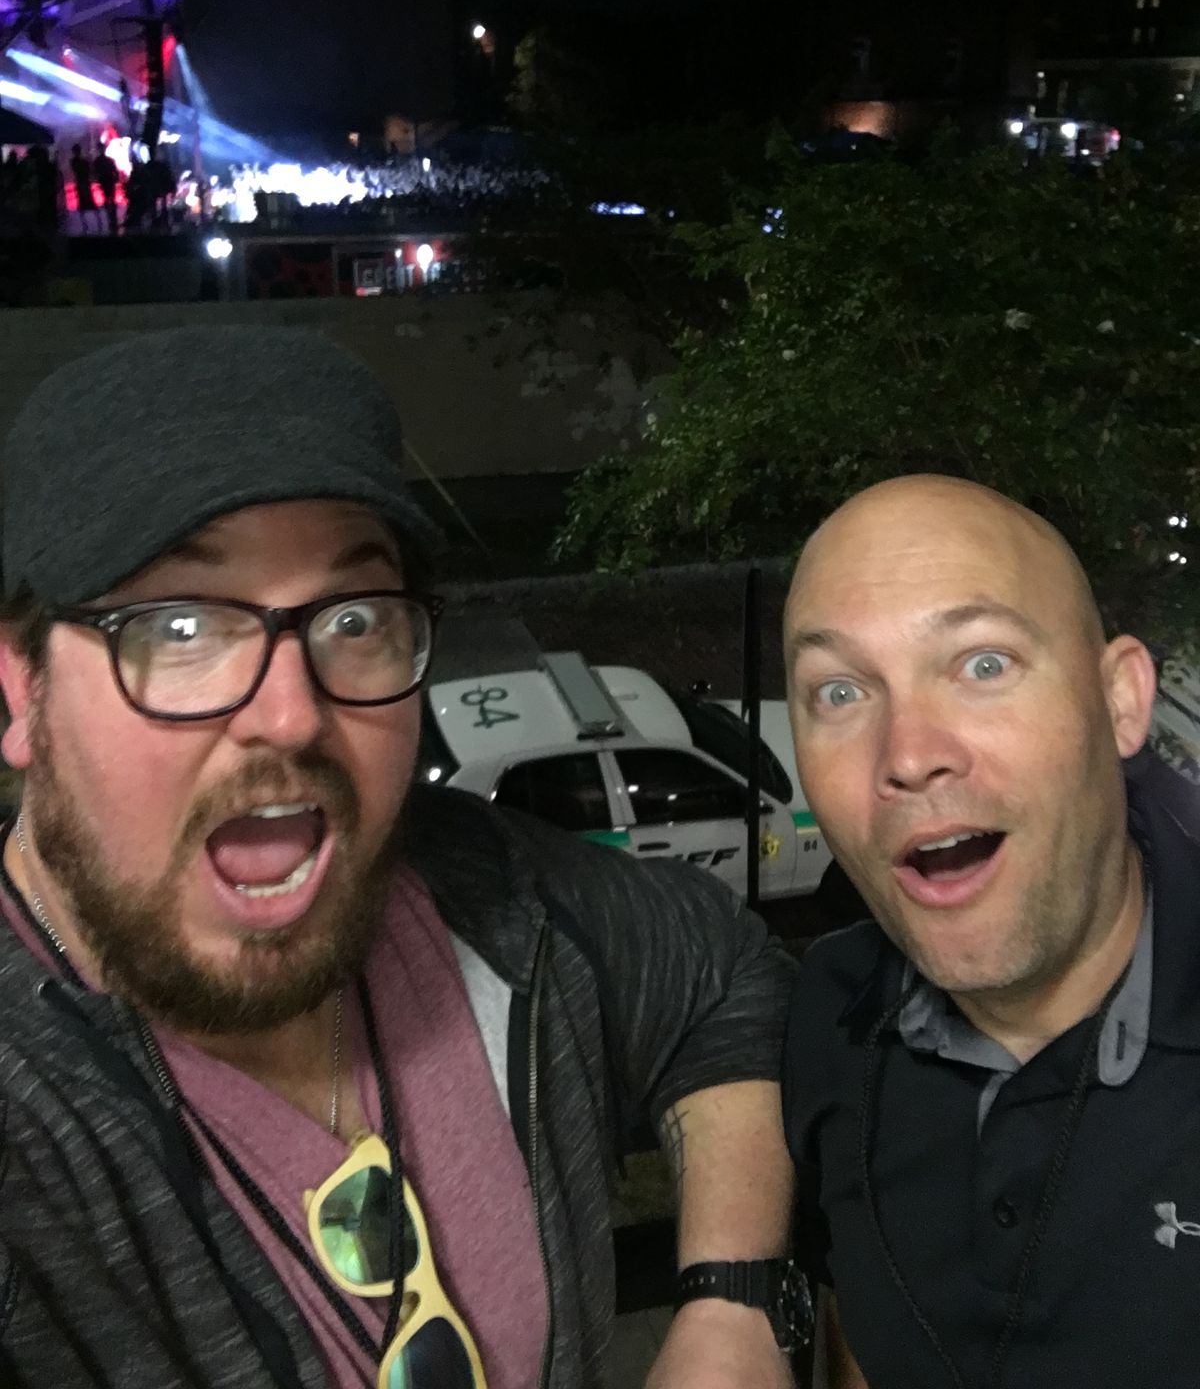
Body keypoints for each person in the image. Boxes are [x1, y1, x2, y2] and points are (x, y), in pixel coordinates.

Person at [0, 325, 802, 1389]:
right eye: (179, 628)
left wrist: (734, 1300)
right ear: (20, 687)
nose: (291, 714)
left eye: (354, 618)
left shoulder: (486, 897)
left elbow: (724, 976)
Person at [780, 473, 1198, 1388]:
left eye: (983, 665)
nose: (908, 754)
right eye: (840, 691)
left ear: (1122, 701)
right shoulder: (829, 1012)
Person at [92, 144, 120, 236]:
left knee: (108, 197)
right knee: (111, 197)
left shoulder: (98, 161)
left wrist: (97, 178)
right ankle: (112, 217)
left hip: (105, 180)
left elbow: (95, 172)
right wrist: (116, 178)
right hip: (109, 180)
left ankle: (110, 216)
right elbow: (114, 170)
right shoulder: (108, 160)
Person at [69, 142, 96, 232]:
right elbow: (87, 170)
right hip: (83, 181)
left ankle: (84, 222)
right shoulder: (82, 161)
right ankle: (89, 220)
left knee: (82, 199)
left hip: (81, 181)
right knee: (85, 199)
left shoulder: (76, 161)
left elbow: (77, 170)